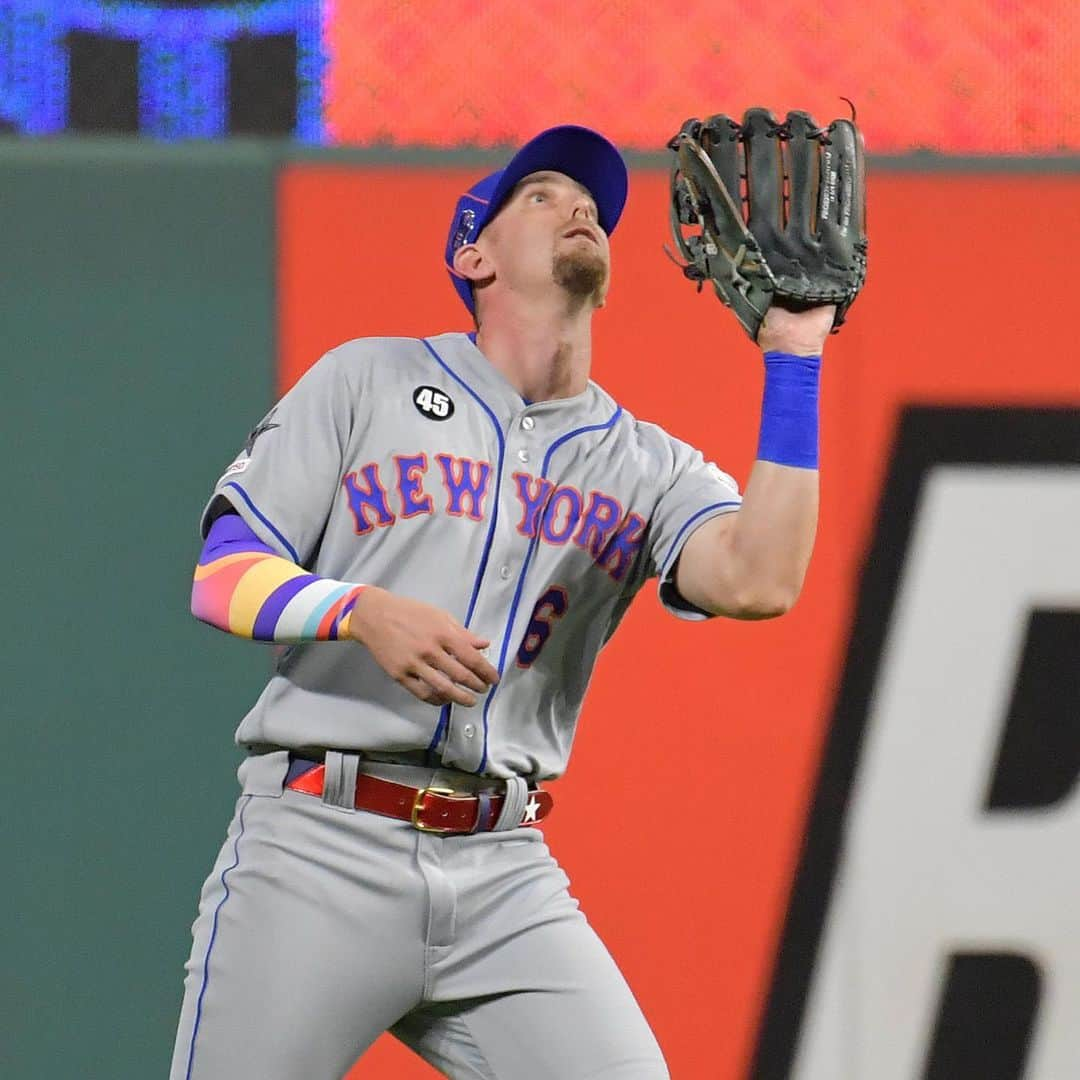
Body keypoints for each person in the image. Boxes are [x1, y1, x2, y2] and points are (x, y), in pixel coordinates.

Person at [171, 124, 832, 1080]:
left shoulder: (644, 463)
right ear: (471, 252)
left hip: (502, 865)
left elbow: (761, 579)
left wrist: (795, 354)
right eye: (543, 194)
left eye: (594, 207)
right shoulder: (371, 380)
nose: (580, 210)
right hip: (319, 843)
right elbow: (222, 573)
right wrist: (359, 609)